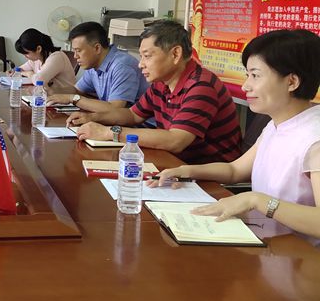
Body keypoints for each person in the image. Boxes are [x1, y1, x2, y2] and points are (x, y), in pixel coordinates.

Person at [153, 29, 320, 241]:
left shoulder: (314, 138)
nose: (245, 86)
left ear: (292, 82)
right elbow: (235, 170)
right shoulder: (276, 124)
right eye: (247, 75)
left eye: (255, 76)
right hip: (263, 241)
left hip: (300, 255)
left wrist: (256, 200)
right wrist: (186, 170)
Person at [69, 20, 241, 164]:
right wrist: (92, 118)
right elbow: (133, 115)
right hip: (174, 164)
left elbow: (176, 140)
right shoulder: (161, 83)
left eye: (147, 56)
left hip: (209, 179)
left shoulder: (201, 86)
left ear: (175, 54)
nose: (140, 64)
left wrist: (108, 133)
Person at [48, 21, 148, 112]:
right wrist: (50, 90)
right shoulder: (93, 65)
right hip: (114, 121)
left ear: (97, 48)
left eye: (78, 51)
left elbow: (115, 109)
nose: (75, 56)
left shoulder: (122, 66)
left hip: (140, 124)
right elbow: (77, 90)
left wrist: (72, 98)